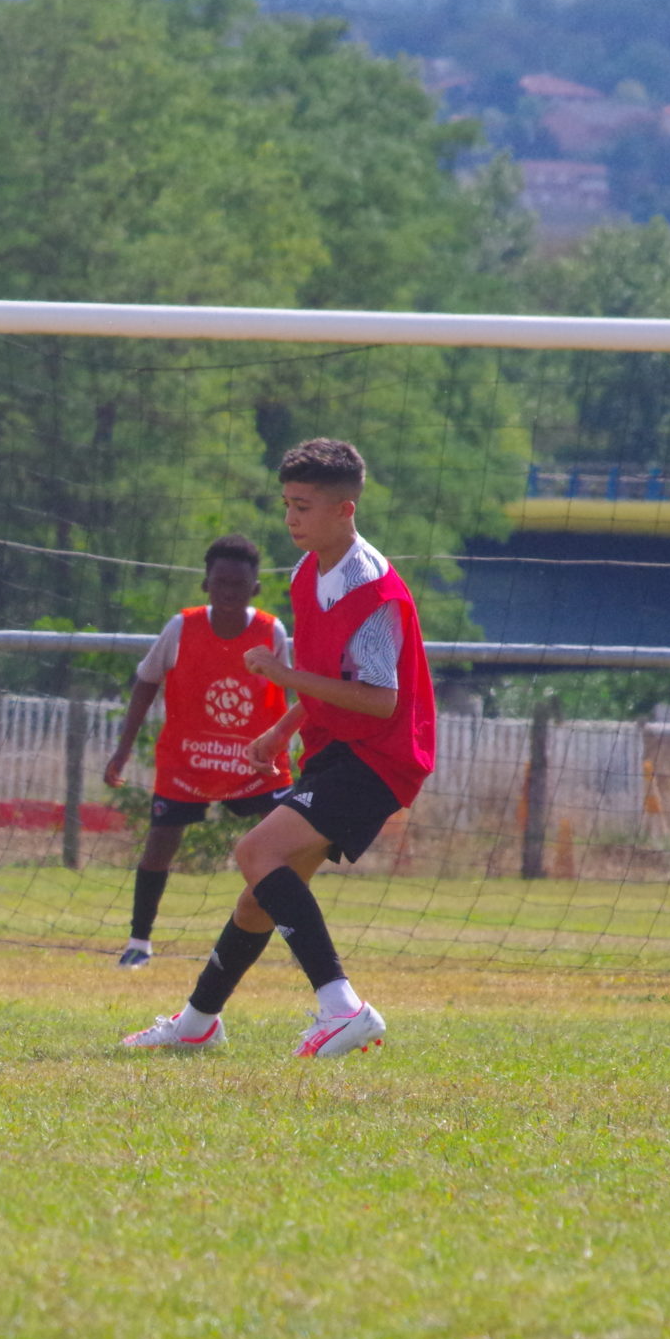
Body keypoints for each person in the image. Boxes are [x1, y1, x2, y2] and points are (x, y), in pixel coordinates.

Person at [121, 439, 435, 1058]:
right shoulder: (307, 573)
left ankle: (343, 1007)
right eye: (287, 504)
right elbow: (331, 679)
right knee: (260, 896)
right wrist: (284, 728)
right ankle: (196, 1023)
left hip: (379, 757)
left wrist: (282, 677)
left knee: (255, 851)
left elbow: (379, 700)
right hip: (338, 749)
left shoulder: (374, 590)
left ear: (344, 509)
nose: (291, 518)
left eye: (303, 506)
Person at [100, 534, 293, 969]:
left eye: (238, 584)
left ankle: (299, 941)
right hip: (188, 760)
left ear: (255, 588)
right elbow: (146, 681)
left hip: (254, 764)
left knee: (285, 849)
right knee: (159, 847)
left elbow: (288, 693)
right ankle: (139, 942)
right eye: (220, 582)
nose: (229, 591)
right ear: (206, 584)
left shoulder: (271, 632)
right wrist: (123, 750)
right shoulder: (180, 627)